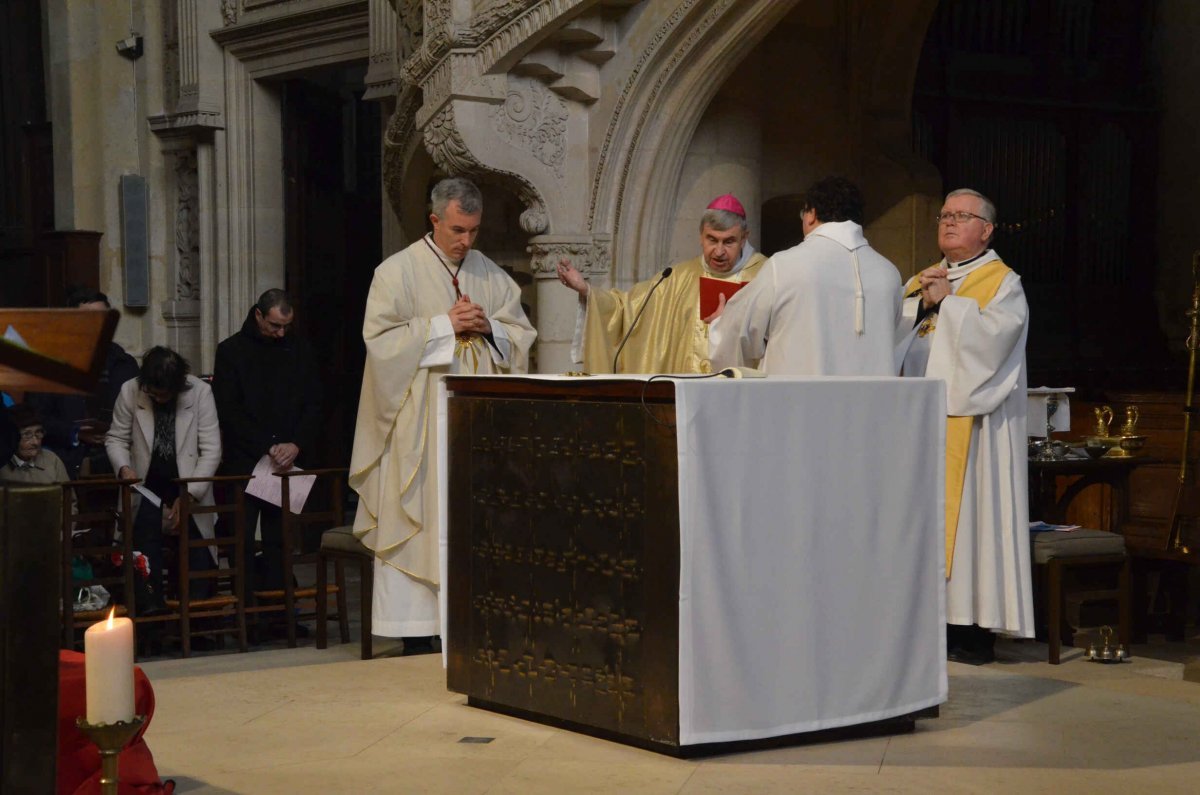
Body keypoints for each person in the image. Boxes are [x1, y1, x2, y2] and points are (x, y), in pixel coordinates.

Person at [349, 177, 536, 654]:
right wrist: (442, 326)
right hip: (420, 423)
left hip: (476, 422)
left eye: (473, 230)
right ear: (434, 220)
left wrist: (489, 325)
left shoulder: (492, 275)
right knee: (421, 510)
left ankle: (468, 620)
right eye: (457, 229)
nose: (466, 241)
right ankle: (415, 630)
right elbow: (380, 342)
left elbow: (522, 336)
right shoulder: (396, 272)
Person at [896, 188, 1033, 665]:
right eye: (945, 215)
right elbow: (892, 340)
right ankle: (923, 620)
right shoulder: (921, 279)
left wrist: (949, 306)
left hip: (972, 433)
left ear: (987, 229)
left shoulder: (1002, 282)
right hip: (917, 428)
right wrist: (923, 304)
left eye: (962, 216)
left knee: (972, 525)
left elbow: (993, 346)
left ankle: (971, 630)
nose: (949, 222)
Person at [708, 176, 902, 375]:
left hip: (798, 403)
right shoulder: (889, 274)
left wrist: (721, 323)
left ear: (811, 214)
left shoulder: (783, 266)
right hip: (870, 404)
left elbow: (736, 335)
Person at [556, 194, 768, 373]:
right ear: (700, 237)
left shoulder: (764, 276)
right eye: (712, 240)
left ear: (744, 238)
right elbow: (626, 308)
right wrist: (586, 290)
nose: (719, 251)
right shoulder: (677, 278)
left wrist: (733, 324)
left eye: (728, 241)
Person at [213, 289, 321, 600]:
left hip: (288, 460)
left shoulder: (299, 350)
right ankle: (248, 612)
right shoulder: (231, 351)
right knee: (242, 539)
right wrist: (269, 444)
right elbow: (228, 409)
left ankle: (280, 611)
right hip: (246, 459)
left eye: (286, 326)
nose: (280, 333)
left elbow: (313, 402)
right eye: (274, 325)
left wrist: (295, 443)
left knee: (281, 541)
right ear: (258, 315)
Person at [106, 347, 222, 610]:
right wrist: (124, 468)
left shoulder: (200, 392)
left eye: (164, 395)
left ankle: (197, 615)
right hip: (146, 488)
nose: (157, 399)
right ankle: (151, 614)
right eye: (152, 393)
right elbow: (116, 438)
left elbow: (211, 449)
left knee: (196, 550)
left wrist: (190, 493)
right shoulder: (131, 389)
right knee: (144, 556)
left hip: (190, 485)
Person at [27, 288, 139, 478]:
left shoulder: (125, 364)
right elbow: (33, 417)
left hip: (120, 464)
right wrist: (75, 433)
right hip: (67, 463)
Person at [0, 403, 70, 485]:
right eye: (27, 434)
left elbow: (69, 496)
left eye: (38, 433)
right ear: (11, 436)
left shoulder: (52, 459)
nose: (35, 442)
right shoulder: (2, 464)